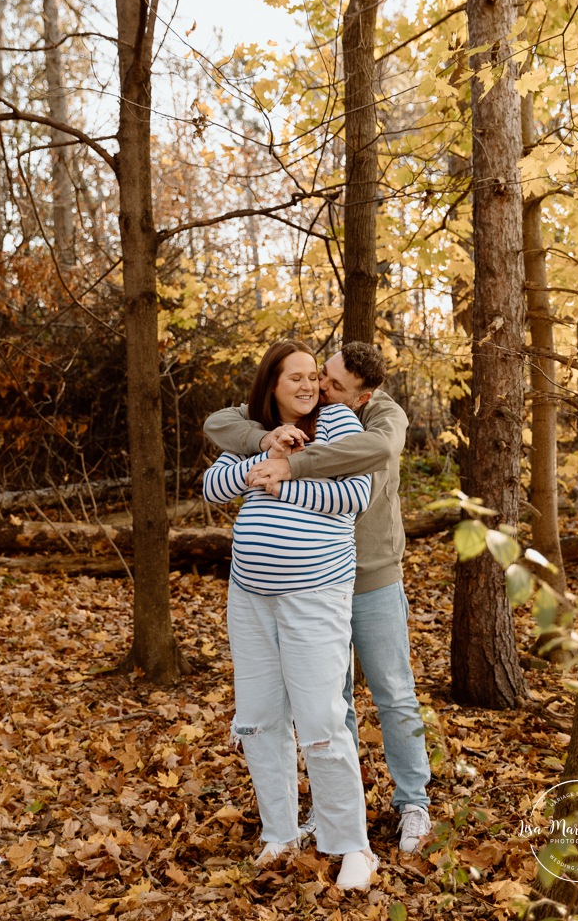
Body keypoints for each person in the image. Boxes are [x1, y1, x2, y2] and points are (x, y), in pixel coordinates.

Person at [205, 341, 432, 853]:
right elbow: (221, 424)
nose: (320, 389)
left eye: (332, 385)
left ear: (363, 394)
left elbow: (375, 459)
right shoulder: (304, 409)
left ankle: (413, 800)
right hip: (299, 585)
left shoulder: (380, 415)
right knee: (333, 702)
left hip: (370, 574)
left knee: (392, 691)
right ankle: (335, 815)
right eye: (316, 376)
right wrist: (264, 440)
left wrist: (289, 469)